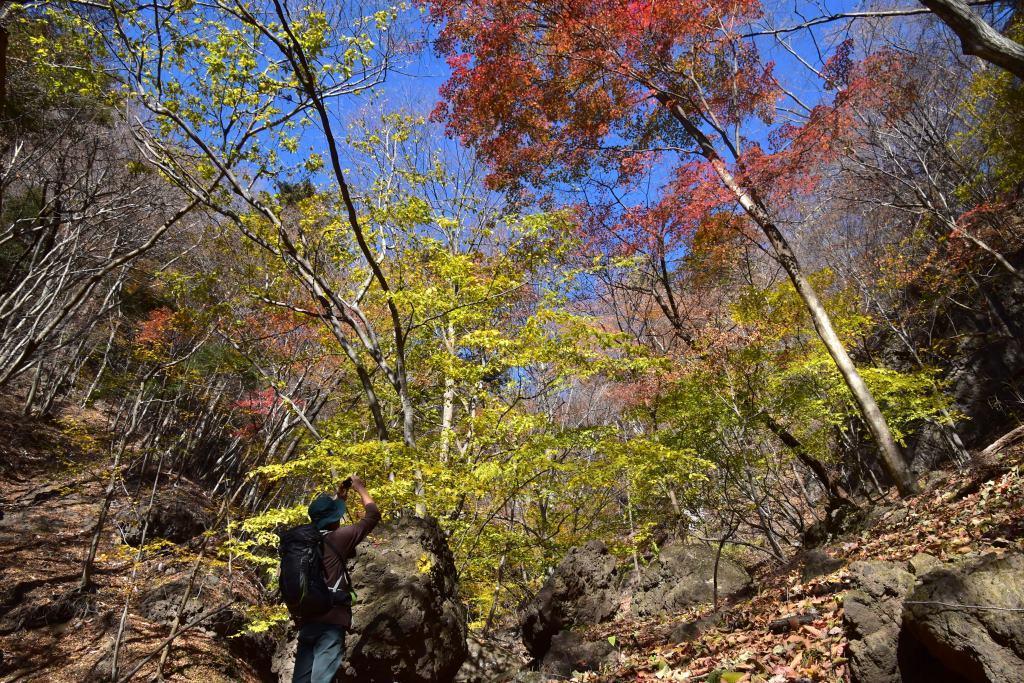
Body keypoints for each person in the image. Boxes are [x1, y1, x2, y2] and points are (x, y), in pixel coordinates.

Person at [293, 475, 380, 683]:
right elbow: (373, 515)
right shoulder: (338, 538)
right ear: (334, 519)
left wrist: (341, 497)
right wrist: (360, 488)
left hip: (307, 619)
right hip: (331, 621)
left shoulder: (305, 542)